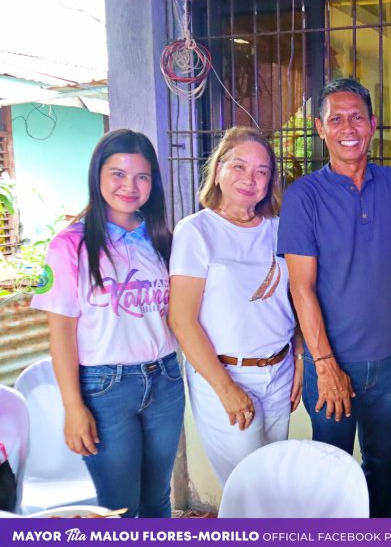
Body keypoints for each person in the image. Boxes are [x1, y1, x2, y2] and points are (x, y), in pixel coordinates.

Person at [277, 78, 391, 518]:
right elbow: (300, 288)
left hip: (389, 365)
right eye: (337, 118)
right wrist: (324, 365)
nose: (348, 127)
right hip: (330, 363)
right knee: (331, 470)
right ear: (320, 128)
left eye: (357, 117)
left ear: (373, 125)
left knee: (382, 465)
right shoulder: (304, 196)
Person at [30, 130, 183, 517]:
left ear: (154, 182)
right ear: (97, 176)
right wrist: (73, 406)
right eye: (117, 174)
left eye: (142, 176)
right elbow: (61, 333)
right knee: (119, 511)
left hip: (165, 380)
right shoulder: (70, 245)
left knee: (158, 499)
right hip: (105, 389)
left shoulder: (162, 239)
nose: (129, 186)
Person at [169, 127, 302, 487]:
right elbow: (181, 320)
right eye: (239, 166)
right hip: (226, 374)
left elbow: (297, 298)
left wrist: (300, 358)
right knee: (248, 491)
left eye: (262, 171)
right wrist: (225, 389)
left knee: (273, 481)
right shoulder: (196, 231)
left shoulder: (278, 228)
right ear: (218, 170)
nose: (250, 179)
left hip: (280, 371)